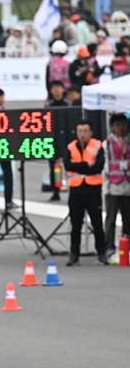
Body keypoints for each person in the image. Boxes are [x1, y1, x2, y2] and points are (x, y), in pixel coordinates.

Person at [64, 119, 109, 265]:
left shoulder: (98, 146)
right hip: (76, 191)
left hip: (93, 190)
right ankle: (74, 254)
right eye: (79, 131)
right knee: (75, 224)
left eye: (85, 131)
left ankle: (101, 254)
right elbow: (67, 165)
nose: (82, 134)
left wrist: (79, 167)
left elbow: (98, 167)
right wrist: (85, 165)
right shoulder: (71, 147)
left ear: (91, 132)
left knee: (97, 224)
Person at [104, 113, 130, 252]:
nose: (121, 128)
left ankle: (127, 245)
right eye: (117, 125)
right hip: (113, 186)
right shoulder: (107, 144)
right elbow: (105, 167)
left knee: (128, 219)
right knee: (111, 219)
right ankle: (109, 246)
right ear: (112, 127)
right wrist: (106, 188)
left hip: (128, 186)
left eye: (123, 125)